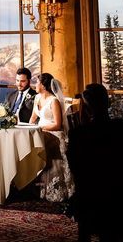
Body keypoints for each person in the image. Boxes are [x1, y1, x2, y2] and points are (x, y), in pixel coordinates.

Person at [67, 83, 123, 241]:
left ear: (86, 108)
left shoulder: (78, 134)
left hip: (89, 195)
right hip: (122, 193)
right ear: (108, 103)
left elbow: (75, 167)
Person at [29, 72, 74, 202]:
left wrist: (40, 128)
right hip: (40, 131)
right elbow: (33, 117)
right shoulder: (37, 98)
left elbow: (58, 124)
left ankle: (54, 189)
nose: (35, 85)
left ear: (43, 85)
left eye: (37, 82)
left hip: (54, 134)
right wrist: (27, 128)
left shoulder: (53, 101)